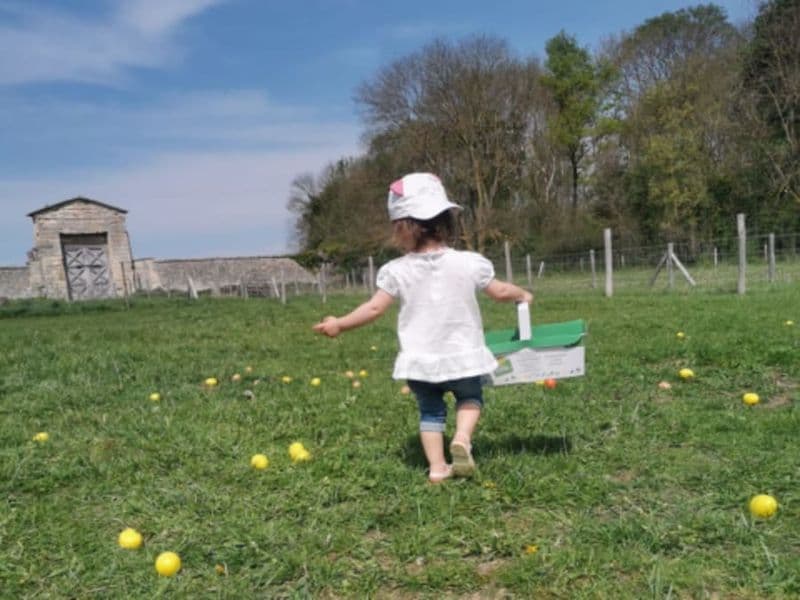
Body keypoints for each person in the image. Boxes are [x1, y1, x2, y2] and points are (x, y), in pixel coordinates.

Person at [312, 172, 533, 483]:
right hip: (463, 355)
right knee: (470, 399)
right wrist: (522, 294)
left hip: (421, 361)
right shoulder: (469, 263)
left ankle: (437, 467)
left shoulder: (396, 271)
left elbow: (374, 308)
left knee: (430, 412)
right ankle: (462, 439)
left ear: (402, 228)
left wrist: (339, 324)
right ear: (445, 222)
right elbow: (499, 292)